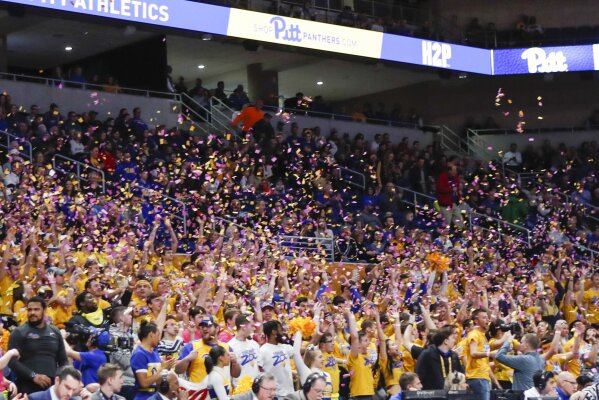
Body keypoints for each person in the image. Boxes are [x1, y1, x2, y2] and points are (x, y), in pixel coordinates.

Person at [8, 296, 69, 394]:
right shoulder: (19, 332)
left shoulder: (55, 331)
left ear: (44, 310)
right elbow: (11, 361)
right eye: (30, 310)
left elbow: (63, 360)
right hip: (26, 386)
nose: (32, 313)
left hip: (52, 388)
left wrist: (61, 378)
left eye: (36, 309)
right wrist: (33, 376)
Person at [176, 315, 239, 384]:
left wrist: (235, 363)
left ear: (217, 328)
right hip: (200, 393)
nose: (205, 329)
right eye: (202, 326)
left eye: (208, 326)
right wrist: (187, 359)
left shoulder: (227, 347)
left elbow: (236, 375)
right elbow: (178, 370)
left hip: (222, 392)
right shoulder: (192, 346)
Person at [130, 321, 176, 400]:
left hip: (156, 395)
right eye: (158, 335)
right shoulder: (139, 354)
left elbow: (157, 376)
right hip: (144, 397)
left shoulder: (154, 352)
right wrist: (162, 368)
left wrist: (167, 366)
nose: (159, 339)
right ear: (151, 335)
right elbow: (144, 383)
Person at [415, 326, 464, 390]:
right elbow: (419, 375)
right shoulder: (427, 355)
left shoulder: (454, 356)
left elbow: (459, 375)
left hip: (450, 395)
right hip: (431, 395)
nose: (454, 341)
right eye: (453, 338)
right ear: (445, 341)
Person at [258, 320, 295, 398]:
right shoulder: (263, 350)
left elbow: (301, 350)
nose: (282, 333)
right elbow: (258, 372)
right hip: (275, 395)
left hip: (290, 394)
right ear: (274, 332)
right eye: (280, 329)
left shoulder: (284, 347)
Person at [464, 309, 494, 400]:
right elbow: (473, 353)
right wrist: (490, 353)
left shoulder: (483, 336)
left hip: (483, 377)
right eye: (484, 318)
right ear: (476, 321)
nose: (487, 320)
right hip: (477, 377)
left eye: (487, 318)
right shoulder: (474, 334)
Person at [228, 314, 260, 385]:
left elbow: (257, 366)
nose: (254, 329)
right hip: (241, 390)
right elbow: (230, 372)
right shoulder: (230, 346)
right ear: (244, 327)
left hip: (256, 388)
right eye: (252, 326)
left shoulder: (254, 344)